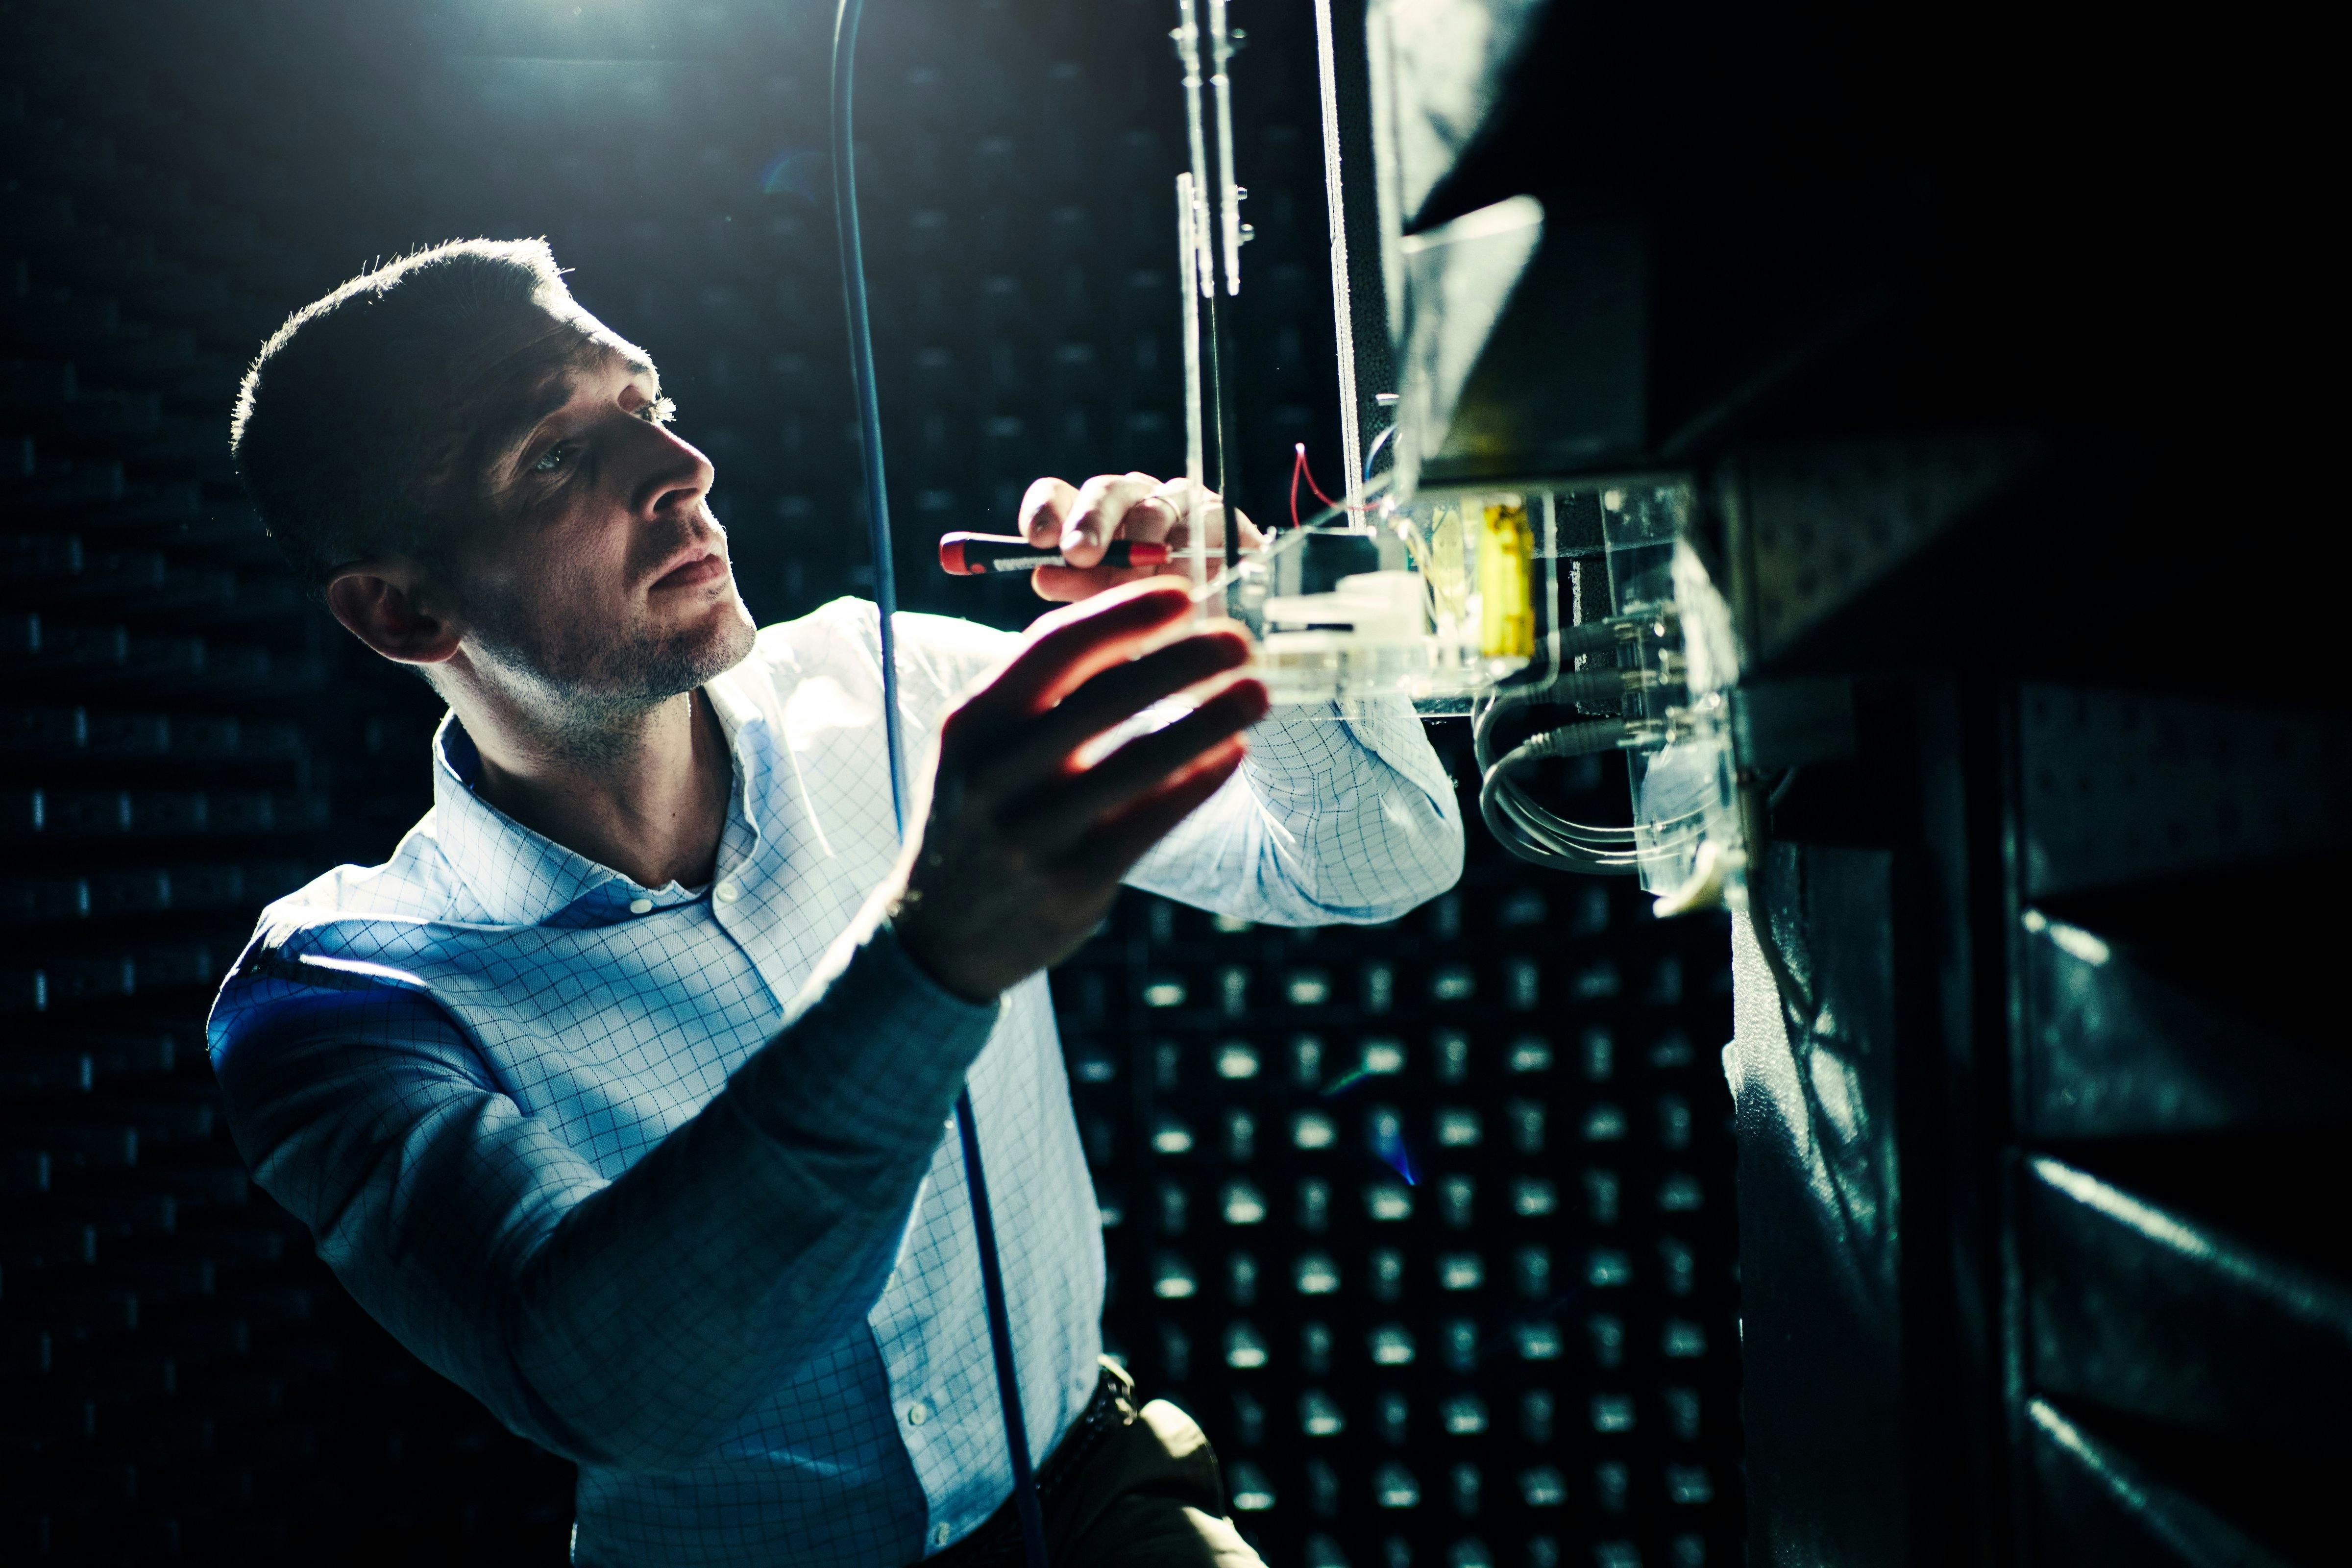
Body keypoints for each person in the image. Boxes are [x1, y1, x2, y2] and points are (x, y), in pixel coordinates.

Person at [208, 238, 1463, 1568]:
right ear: (401, 612)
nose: (678, 470)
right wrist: (926, 964)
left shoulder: (901, 684)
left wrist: (1255, 616)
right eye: (556, 455)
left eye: (645, 406)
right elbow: (607, 1384)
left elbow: (1380, 860)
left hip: (1092, 1501)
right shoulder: (338, 997)